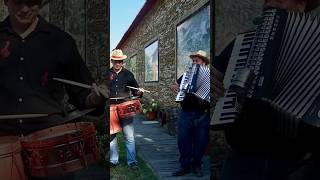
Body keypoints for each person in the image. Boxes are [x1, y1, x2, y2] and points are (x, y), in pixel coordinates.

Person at [213, 0, 320, 179]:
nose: (269, 3)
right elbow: (212, 73)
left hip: (298, 164)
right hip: (242, 158)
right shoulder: (245, 42)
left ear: (301, 4)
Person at [0, 0, 107, 179]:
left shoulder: (61, 41)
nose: (25, 8)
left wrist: (95, 98)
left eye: (32, 2)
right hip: (3, 145)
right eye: (18, 1)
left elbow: (82, 96)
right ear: (6, 1)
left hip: (50, 145)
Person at [170, 50, 211, 177]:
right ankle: (185, 166)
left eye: (197, 60)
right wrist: (176, 88)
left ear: (203, 62)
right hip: (186, 113)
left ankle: (197, 165)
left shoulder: (210, 76)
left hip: (202, 114)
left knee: (200, 142)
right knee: (183, 140)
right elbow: (174, 86)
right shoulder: (186, 75)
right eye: (193, 60)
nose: (194, 62)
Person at [107, 49, 143, 169]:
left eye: (120, 61)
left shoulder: (128, 74)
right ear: (112, 61)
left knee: (129, 136)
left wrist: (139, 92)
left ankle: (132, 161)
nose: (118, 63)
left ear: (122, 62)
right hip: (111, 108)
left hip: (126, 108)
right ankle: (113, 160)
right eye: (115, 61)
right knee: (111, 136)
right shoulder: (106, 74)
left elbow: (136, 91)